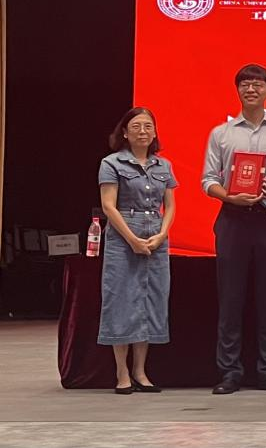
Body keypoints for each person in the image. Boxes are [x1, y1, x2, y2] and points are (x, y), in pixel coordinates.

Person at [201, 63, 266, 394]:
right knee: (230, 299)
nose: (251, 89)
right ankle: (230, 372)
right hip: (232, 219)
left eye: (258, 85)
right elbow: (208, 179)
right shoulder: (221, 133)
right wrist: (229, 196)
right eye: (245, 84)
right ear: (237, 90)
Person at [97, 107, 178, 394]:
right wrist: (131, 239)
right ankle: (121, 372)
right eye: (136, 126)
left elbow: (170, 205)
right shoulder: (111, 163)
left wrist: (162, 234)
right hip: (123, 236)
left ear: (154, 132)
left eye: (147, 126)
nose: (142, 131)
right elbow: (108, 206)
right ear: (125, 132)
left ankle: (140, 371)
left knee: (149, 300)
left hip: (156, 236)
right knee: (121, 300)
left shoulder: (164, 165)